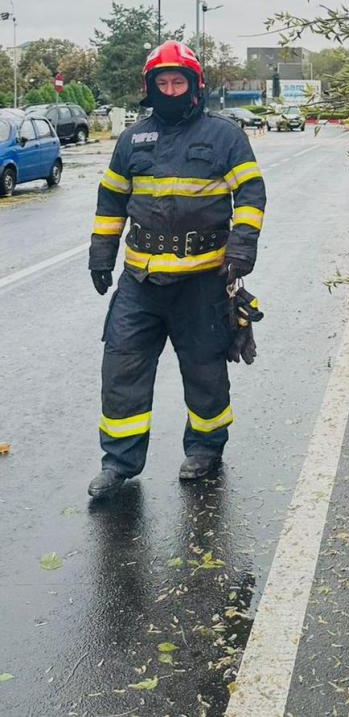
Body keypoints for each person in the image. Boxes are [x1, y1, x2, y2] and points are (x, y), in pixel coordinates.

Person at [86, 41, 267, 500]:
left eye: (177, 81)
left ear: (194, 85)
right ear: (151, 88)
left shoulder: (225, 136)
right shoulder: (132, 140)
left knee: (204, 369)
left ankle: (205, 449)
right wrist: (100, 254)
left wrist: (242, 248)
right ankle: (119, 464)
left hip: (204, 279)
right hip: (140, 282)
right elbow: (111, 202)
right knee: (121, 370)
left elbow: (251, 194)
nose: (170, 89)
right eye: (162, 83)